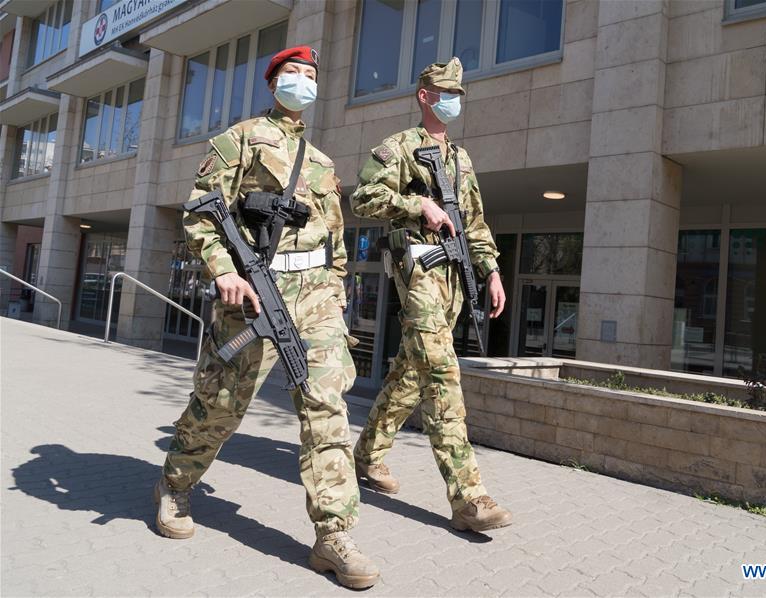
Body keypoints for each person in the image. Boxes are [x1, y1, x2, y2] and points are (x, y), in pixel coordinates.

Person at [154, 45, 379, 589]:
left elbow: (335, 236)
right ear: (273, 81)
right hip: (253, 289)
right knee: (223, 401)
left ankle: (333, 534)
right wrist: (222, 271)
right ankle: (177, 483)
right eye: (293, 73)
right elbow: (201, 213)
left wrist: (338, 287)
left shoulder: (322, 163)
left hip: (317, 296)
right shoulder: (241, 138)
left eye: (310, 76)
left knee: (326, 407)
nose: (302, 82)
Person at [351, 58, 512, 532]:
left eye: (459, 93)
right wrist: (415, 203)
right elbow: (362, 198)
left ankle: (368, 453)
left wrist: (492, 270)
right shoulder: (398, 147)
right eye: (446, 92)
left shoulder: (462, 159)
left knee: (410, 375)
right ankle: (469, 497)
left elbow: (475, 221)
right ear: (425, 96)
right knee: (442, 373)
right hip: (419, 271)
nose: (454, 100)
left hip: (456, 278)